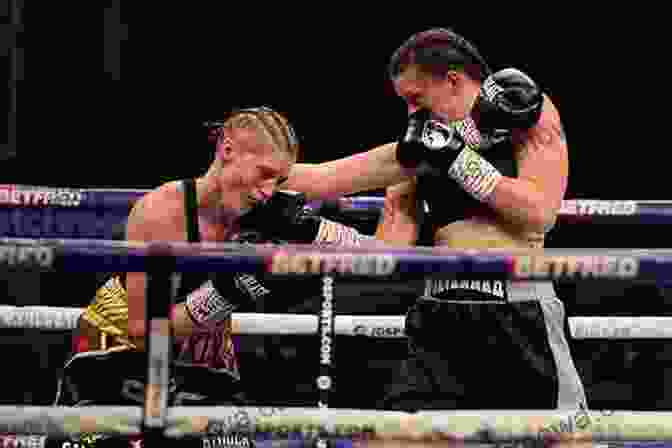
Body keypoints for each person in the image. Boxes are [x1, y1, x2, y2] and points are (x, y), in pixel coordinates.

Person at [283, 28, 587, 411]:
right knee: (401, 437)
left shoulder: (527, 112)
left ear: (453, 80)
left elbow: (540, 214)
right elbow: (372, 235)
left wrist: (456, 158)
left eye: (416, 99)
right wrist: (308, 226)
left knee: (558, 438)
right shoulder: (420, 146)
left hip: (516, 311)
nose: (411, 113)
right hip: (439, 316)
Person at [55, 106, 382, 409]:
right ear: (227, 151)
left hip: (203, 342)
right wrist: (228, 292)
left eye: (279, 180)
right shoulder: (162, 212)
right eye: (265, 174)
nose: (270, 190)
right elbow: (142, 330)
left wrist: (424, 146)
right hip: (122, 343)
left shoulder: (263, 198)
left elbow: (364, 173)